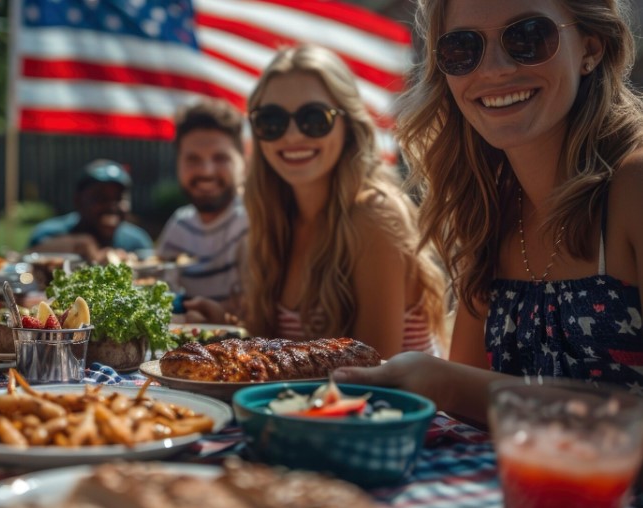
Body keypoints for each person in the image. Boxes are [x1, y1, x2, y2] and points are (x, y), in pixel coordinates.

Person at [334, 0, 643, 425]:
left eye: (528, 38)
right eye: (462, 49)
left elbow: (465, 387)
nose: (494, 69)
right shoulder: (492, 205)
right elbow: (471, 415)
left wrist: (447, 384)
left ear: (591, 48)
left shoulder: (634, 185)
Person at [239, 44, 447, 360]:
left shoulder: (374, 215)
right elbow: (266, 355)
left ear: (348, 126)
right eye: (272, 121)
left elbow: (373, 371)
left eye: (314, 118)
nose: (292, 136)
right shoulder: (275, 218)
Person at [156, 99, 249, 306]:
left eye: (220, 158)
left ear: (243, 163)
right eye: (193, 159)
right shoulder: (179, 226)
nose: (206, 171)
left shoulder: (255, 222)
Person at [26, 159, 153, 263]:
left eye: (119, 198)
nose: (112, 206)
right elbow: (30, 256)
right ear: (78, 201)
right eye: (100, 198)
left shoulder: (136, 242)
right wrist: (80, 244)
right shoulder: (50, 232)